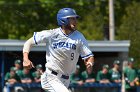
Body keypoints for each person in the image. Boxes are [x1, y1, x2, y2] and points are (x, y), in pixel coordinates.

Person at [22, 8, 94, 92]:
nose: (75, 21)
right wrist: (25, 58)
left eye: (75, 18)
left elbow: (89, 55)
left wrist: (90, 62)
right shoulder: (52, 34)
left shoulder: (79, 36)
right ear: (63, 20)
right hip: (51, 76)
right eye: (72, 18)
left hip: (66, 79)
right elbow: (28, 42)